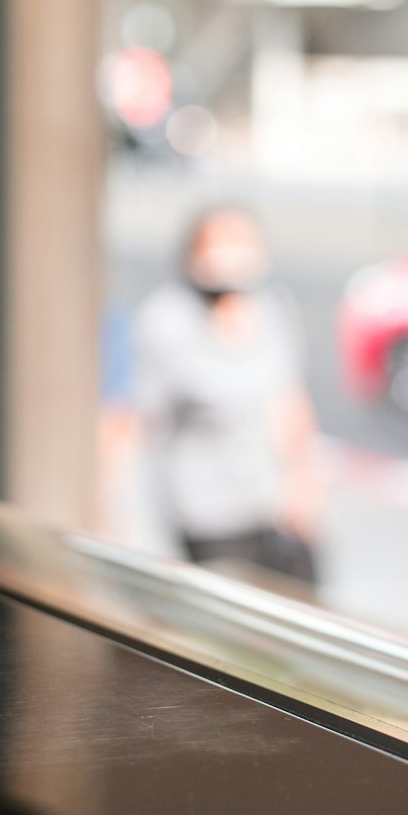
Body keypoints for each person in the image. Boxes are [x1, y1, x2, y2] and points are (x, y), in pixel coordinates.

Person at [131, 206, 320, 585]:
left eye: (242, 242)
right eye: (219, 243)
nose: (232, 255)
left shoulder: (272, 309)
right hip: (208, 516)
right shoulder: (168, 320)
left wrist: (304, 483)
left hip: (271, 507)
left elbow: (289, 399)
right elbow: (137, 420)